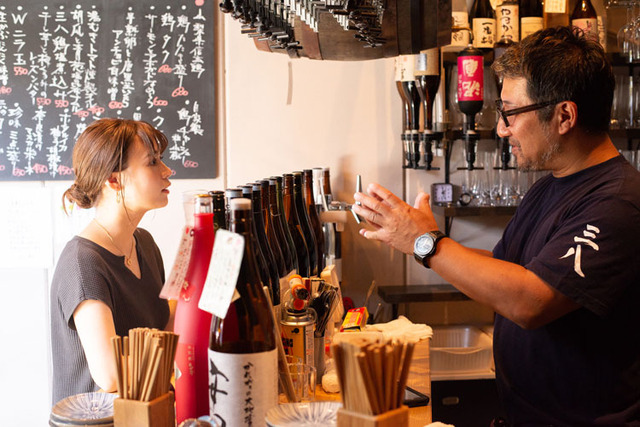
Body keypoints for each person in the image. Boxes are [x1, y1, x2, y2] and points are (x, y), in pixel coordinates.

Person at [352, 26, 640, 425]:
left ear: (564, 116)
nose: (502, 129)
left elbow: (531, 300)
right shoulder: (549, 187)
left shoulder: (618, 203)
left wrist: (427, 243)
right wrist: (420, 242)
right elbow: (505, 270)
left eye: (509, 113)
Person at [50, 118, 174, 404]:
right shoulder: (83, 263)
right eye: (152, 162)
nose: (167, 171)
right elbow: (109, 375)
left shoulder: (143, 243)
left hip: (146, 412)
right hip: (99, 421)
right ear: (113, 180)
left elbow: (166, 327)